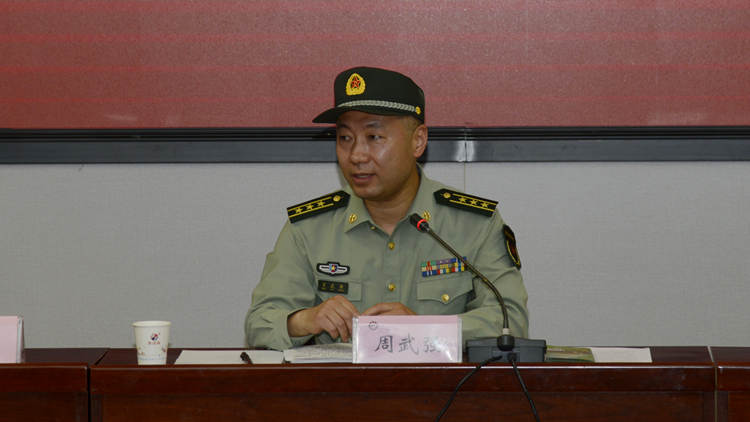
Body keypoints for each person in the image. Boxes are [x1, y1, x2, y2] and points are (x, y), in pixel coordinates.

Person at [245, 66, 528, 351]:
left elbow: (510, 321)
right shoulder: (310, 229)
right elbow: (259, 323)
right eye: (345, 138)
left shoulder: (474, 224)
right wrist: (305, 320)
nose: (356, 155)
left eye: (374, 137)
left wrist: (425, 330)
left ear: (418, 141)